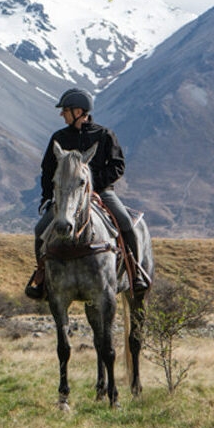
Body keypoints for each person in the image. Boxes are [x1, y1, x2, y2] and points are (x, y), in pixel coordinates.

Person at [24, 88, 150, 299]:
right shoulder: (59, 138)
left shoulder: (104, 135)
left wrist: (93, 185)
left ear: (79, 111)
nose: (62, 114)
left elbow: (118, 166)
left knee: (126, 224)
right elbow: (47, 170)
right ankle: (42, 277)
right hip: (67, 197)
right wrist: (47, 196)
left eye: (65, 110)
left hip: (102, 192)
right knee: (40, 230)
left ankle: (134, 272)